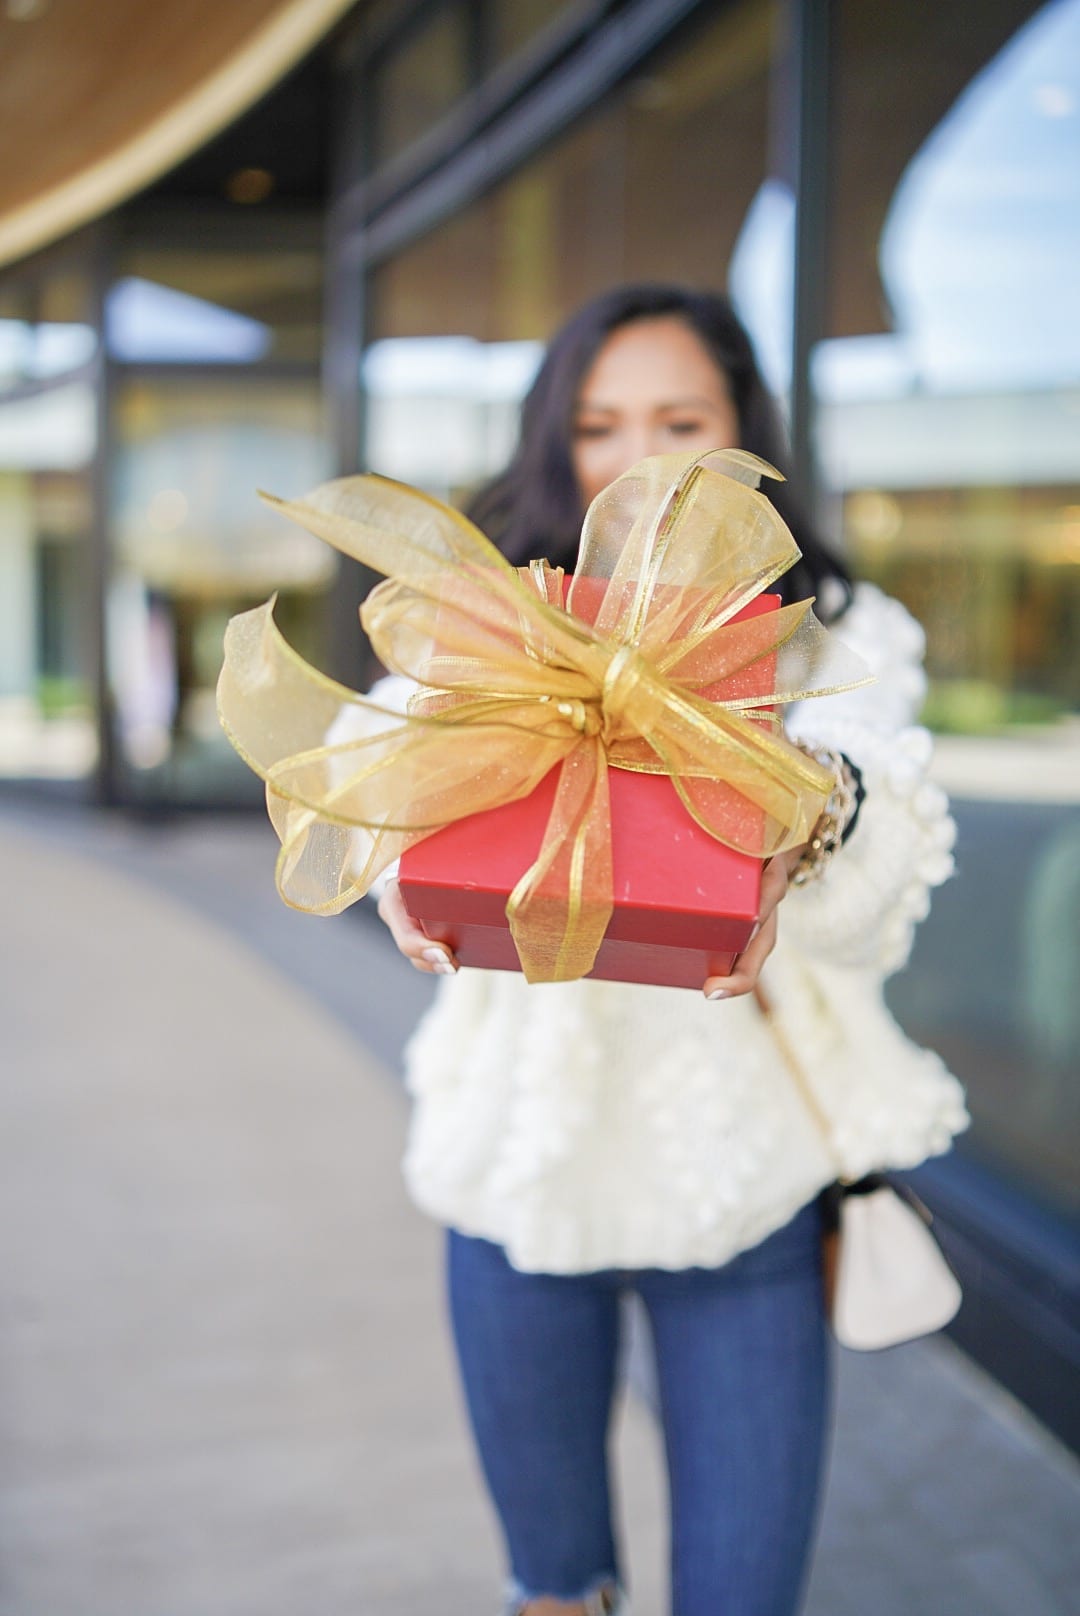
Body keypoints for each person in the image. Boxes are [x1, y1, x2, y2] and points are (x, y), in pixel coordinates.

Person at [359, 285, 968, 1616]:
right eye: (600, 425)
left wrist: (801, 805)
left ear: (744, 427)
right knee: (554, 1590)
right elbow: (370, 763)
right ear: (556, 442)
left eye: (680, 421)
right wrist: (392, 857)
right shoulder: (491, 617)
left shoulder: (832, 627)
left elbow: (874, 820)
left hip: (742, 1181)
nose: (639, 459)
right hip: (519, 1176)